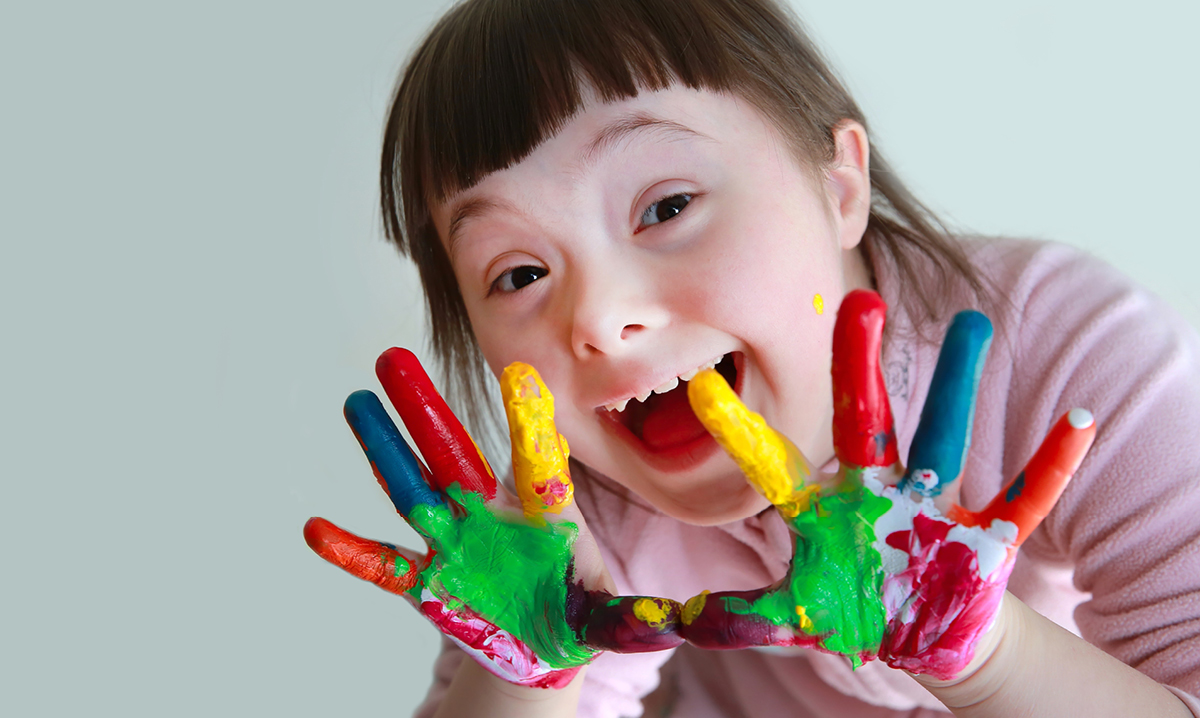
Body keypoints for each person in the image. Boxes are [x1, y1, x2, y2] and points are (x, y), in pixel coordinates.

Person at [308, 0, 1200, 715]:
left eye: (666, 207)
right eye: (521, 272)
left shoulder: (1065, 348)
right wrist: (520, 676)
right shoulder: (572, 514)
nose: (603, 319)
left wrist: (986, 656)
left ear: (837, 184)